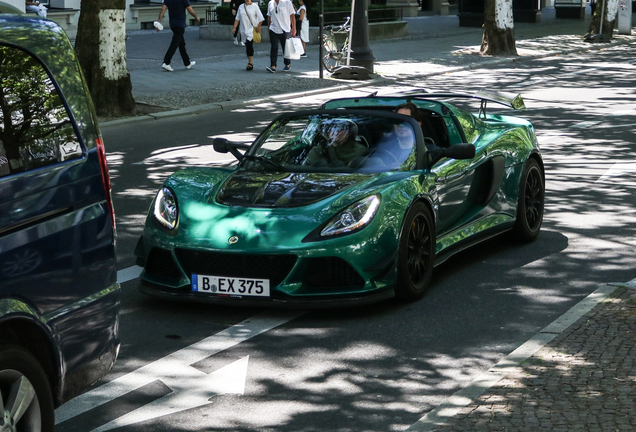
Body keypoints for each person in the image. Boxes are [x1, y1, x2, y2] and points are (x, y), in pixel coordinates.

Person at [157, 0, 200, 72]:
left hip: (173, 24)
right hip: (180, 25)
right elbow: (190, 9)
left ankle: (187, 63)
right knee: (174, 44)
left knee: (181, 44)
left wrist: (159, 22)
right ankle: (166, 62)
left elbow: (163, 9)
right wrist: (196, 16)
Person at [232, 0, 264, 71]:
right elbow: (237, 18)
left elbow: (261, 18)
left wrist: (258, 26)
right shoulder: (241, 7)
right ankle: (249, 60)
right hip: (243, 29)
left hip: (252, 29)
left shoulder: (255, 6)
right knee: (247, 45)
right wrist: (234, 28)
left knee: (249, 44)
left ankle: (250, 62)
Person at [266, 0, 296, 73]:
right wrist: (269, 28)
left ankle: (287, 64)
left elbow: (292, 15)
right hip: (273, 28)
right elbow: (269, 17)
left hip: (285, 28)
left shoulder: (287, 2)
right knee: (274, 47)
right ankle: (273, 65)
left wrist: (294, 28)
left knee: (285, 47)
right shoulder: (270, 3)